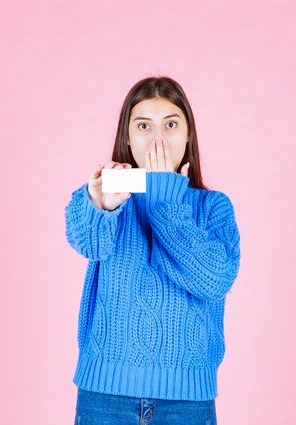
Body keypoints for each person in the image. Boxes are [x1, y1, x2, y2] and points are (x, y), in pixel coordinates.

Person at [64, 75, 241, 425]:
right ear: (127, 137)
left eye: (171, 124)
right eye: (144, 125)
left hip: (186, 403)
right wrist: (100, 205)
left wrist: (164, 201)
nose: (157, 138)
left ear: (188, 134)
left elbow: (213, 280)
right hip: (106, 396)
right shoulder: (108, 197)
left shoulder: (213, 207)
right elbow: (88, 242)